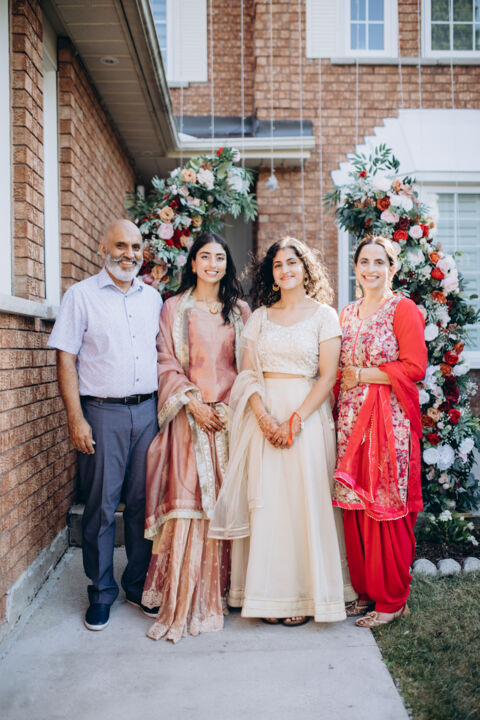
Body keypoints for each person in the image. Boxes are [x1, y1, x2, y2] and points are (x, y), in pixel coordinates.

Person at [209, 236, 355, 626]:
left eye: (292, 263)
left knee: (303, 504)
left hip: (307, 416)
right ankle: (268, 598)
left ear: (306, 269)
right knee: (269, 504)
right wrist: (263, 417)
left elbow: (327, 377)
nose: (285, 270)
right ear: (270, 274)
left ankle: (305, 596)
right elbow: (247, 373)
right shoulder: (259, 317)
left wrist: (295, 421)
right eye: (278, 265)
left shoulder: (324, 315)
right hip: (264, 415)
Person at [48, 219, 162, 631]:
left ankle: (136, 584)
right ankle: (100, 593)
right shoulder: (80, 296)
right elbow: (65, 358)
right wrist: (75, 417)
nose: (128, 254)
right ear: (103, 248)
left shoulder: (153, 298)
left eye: (135, 246)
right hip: (101, 413)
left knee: (143, 505)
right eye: (120, 245)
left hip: (147, 413)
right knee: (100, 506)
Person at [141, 233, 250, 643]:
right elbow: (165, 360)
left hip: (229, 421)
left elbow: (250, 366)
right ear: (193, 263)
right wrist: (193, 404)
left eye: (219, 257)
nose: (212, 264)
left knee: (225, 502)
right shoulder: (174, 308)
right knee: (189, 503)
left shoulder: (239, 311)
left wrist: (229, 408)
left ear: (226, 264)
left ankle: (224, 590)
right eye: (205, 256)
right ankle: (185, 593)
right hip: (189, 419)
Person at [333, 235, 427, 628]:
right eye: (364, 262)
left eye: (379, 262)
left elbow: (415, 367)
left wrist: (363, 374)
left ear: (393, 268)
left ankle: (391, 599)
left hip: (388, 424)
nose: (370, 269)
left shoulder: (402, 309)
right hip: (349, 423)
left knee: (384, 507)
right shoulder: (346, 313)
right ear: (355, 267)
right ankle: (366, 591)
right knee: (355, 506)